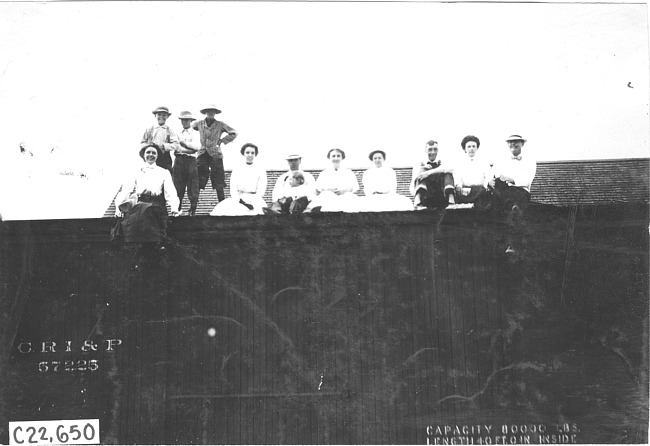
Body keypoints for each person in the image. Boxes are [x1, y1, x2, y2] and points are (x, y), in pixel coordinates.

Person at [114, 145, 180, 243]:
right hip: (139, 204)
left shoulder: (164, 172)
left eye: (154, 153)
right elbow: (126, 190)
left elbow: (170, 192)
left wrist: (174, 209)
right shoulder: (136, 172)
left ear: (157, 156)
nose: (151, 155)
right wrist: (118, 207)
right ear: (143, 155)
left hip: (156, 204)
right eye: (148, 152)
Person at [191, 103, 238, 204]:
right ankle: (193, 207)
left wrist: (222, 141)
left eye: (213, 111)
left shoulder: (220, 124)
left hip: (215, 154)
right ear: (205, 112)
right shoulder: (199, 123)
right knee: (198, 179)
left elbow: (233, 132)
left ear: (215, 113)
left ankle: (222, 206)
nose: (210, 113)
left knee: (219, 181)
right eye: (208, 111)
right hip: (203, 153)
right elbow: (192, 126)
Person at [210, 143, 267, 216]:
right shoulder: (237, 169)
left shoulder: (260, 170)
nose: (250, 155)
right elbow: (233, 188)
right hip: (239, 198)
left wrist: (253, 201)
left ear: (255, 154)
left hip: (255, 199)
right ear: (243, 154)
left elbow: (261, 189)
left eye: (252, 153)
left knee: (258, 212)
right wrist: (239, 200)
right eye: (247, 152)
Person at [488, 134, 537, 214]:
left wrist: (512, 180)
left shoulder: (530, 161)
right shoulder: (500, 160)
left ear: (522, 144)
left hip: (520, 191)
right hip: (503, 190)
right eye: (510, 142)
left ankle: (514, 211)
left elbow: (528, 180)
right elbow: (492, 174)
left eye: (516, 141)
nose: (513, 144)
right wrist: (490, 182)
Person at [410, 140, 455, 210]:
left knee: (447, 172)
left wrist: (429, 173)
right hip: (426, 196)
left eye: (435, 149)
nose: (433, 152)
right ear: (425, 150)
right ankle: (417, 203)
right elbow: (412, 186)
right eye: (430, 149)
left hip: (442, 196)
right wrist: (423, 171)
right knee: (422, 171)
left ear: (438, 150)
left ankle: (451, 202)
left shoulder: (442, 161)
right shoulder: (420, 163)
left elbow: (450, 169)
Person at [173, 111, 200, 216]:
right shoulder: (176, 133)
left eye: (186, 120)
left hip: (191, 161)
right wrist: (188, 149)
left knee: (192, 186)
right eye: (182, 120)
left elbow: (197, 148)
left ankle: (192, 209)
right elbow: (176, 147)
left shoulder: (195, 133)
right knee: (177, 186)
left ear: (190, 121)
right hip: (179, 160)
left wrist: (185, 144)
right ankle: (177, 210)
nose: (184, 122)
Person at [452, 135, 491, 208]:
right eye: (469, 147)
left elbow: (488, 176)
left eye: (474, 146)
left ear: (477, 148)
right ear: (465, 149)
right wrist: (460, 186)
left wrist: (486, 185)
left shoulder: (483, 162)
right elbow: (457, 177)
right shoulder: (459, 163)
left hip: (480, 191)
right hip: (465, 191)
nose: (471, 149)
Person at [140, 106, 180, 172]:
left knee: (165, 175)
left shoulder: (169, 130)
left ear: (167, 117)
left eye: (164, 115)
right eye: (159, 114)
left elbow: (176, 144)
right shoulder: (150, 130)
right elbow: (142, 143)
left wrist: (164, 146)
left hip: (165, 158)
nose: (161, 117)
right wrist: (149, 146)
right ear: (155, 115)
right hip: (151, 157)